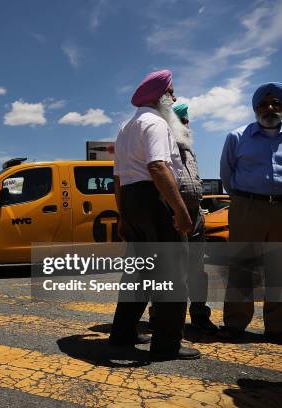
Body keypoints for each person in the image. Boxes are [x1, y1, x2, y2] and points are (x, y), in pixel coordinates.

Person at [110, 69, 200, 360]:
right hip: (154, 200)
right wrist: (180, 210)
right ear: (162, 97)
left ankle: (122, 333)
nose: (174, 98)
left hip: (134, 203)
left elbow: (119, 180)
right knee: (172, 276)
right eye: (171, 93)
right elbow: (158, 167)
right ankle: (167, 345)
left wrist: (124, 216)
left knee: (138, 274)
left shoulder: (126, 128)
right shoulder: (155, 123)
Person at [219, 82, 282, 344]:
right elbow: (226, 174)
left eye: (276, 103)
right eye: (263, 104)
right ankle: (235, 323)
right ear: (255, 108)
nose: (269, 108)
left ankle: (277, 327)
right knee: (242, 267)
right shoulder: (237, 136)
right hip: (246, 206)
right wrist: (244, 199)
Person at [149, 103, 218, 333]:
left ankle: (199, 316)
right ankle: (160, 317)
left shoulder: (188, 149)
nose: (187, 124)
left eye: (187, 120)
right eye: (182, 120)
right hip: (172, 213)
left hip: (196, 214)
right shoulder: (161, 147)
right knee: (169, 270)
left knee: (197, 271)